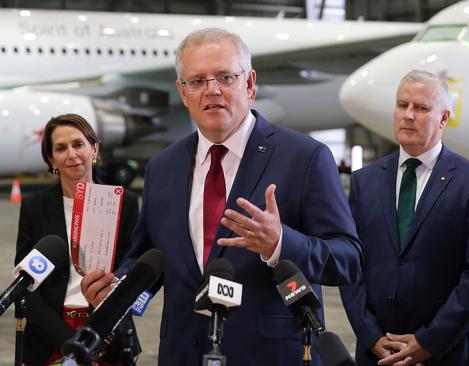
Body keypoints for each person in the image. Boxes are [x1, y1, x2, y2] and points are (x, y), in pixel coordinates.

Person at [83, 28, 361, 365]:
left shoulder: (305, 158)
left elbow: (348, 259)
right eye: (197, 81)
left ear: (250, 83)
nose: (212, 90)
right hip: (183, 353)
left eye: (225, 77)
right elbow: (148, 258)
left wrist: (279, 243)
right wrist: (116, 289)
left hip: (269, 355)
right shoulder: (163, 166)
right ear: (182, 93)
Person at [339, 70, 469, 366]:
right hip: (377, 352)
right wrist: (371, 336)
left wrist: (428, 341)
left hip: (448, 352)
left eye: (421, 108)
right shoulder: (365, 181)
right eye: (402, 105)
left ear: (444, 117)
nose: (408, 115)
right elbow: (351, 266)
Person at [15, 113, 140, 365]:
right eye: (60, 148)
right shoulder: (34, 207)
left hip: (109, 333)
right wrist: (67, 342)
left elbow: (131, 271)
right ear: (52, 159)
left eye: (78, 144)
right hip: (49, 337)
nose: (71, 154)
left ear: (95, 149)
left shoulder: (124, 202)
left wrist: (98, 338)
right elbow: (26, 287)